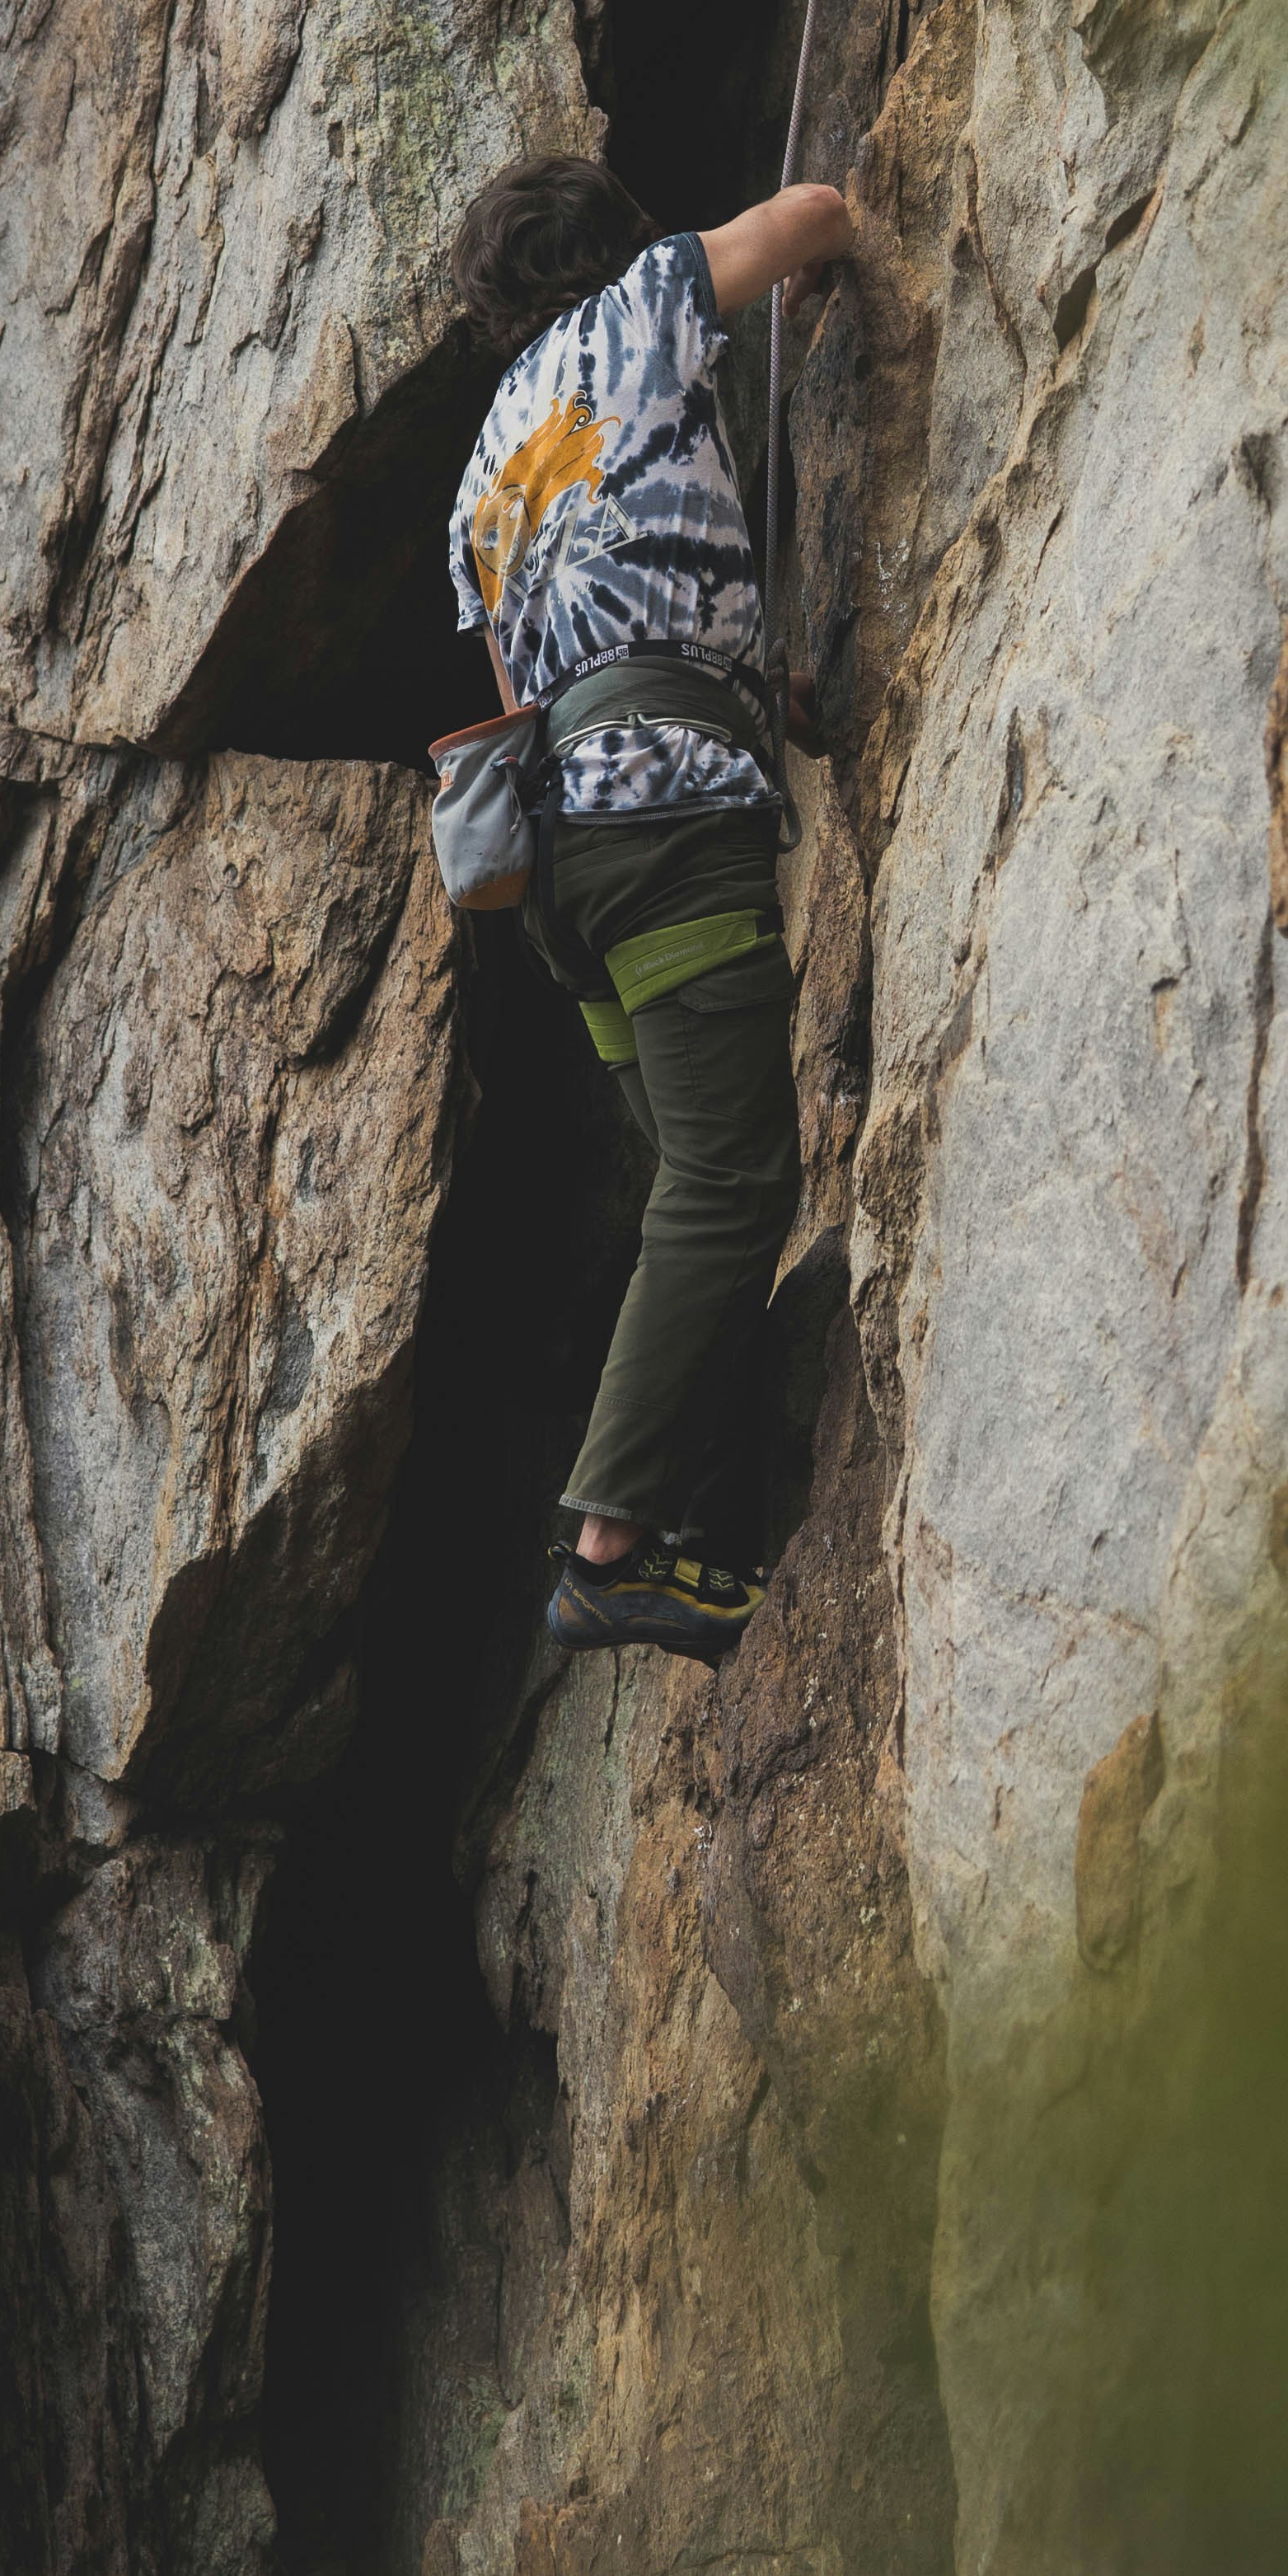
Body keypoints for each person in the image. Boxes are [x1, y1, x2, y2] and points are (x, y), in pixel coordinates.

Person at [447, 150, 854, 1667]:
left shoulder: (486, 470)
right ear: (606, 248)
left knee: (696, 1170)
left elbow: (528, 688)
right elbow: (812, 218)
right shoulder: (642, 303)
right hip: (668, 822)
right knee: (731, 1185)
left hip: (561, 865)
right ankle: (612, 1544)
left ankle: (699, 1526)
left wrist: (756, 692)